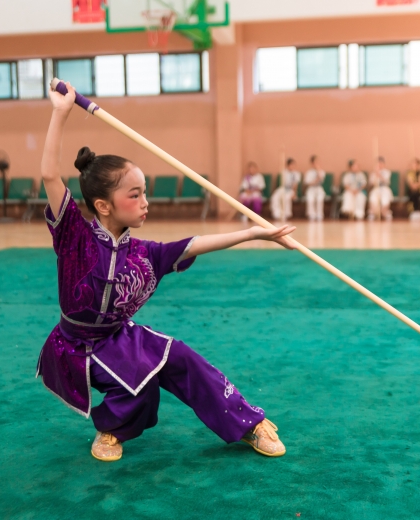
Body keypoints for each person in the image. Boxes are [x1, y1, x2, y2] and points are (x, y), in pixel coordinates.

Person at [37, 82, 294, 462]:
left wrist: (256, 233)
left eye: (145, 192)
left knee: (182, 357)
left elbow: (193, 244)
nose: (145, 203)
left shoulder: (143, 254)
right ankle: (109, 430)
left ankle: (247, 423)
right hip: (78, 349)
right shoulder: (74, 236)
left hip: (118, 338)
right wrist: (61, 112)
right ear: (104, 206)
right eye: (135, 195)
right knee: (141, 385)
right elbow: (49, 176)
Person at [368, 157, 393, 221]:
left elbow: (386, 181)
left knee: (385, 198)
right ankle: (373, 213)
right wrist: (375, 175)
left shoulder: (387, 172)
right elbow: (371, 183)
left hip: (384, 188)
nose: (379, 165)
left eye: (381, 163)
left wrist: (379, 174)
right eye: (378, 163)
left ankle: (385, 212)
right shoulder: (373, 173)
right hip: (376, 188)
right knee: (373, 198)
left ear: (384, 164)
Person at [304, 155, 326, 221]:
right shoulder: (308, 172)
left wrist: (318, 170)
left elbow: (321, 179)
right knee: (311, 199)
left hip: (318, 188)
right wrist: (315, 181)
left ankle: (319, 214)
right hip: (311, 188)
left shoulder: (321, 172)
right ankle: (311, 214)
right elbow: (307, 183)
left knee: (320, 199)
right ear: (312, 163)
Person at [405, 158, 420, 222]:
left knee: (417, 194)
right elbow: (410, 183)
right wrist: (413, 186)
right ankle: (412, 211)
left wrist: (416, 185)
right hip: (411, 190)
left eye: (415, 164)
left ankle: (417, 210)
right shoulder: (410, 173)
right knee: (412, 194)